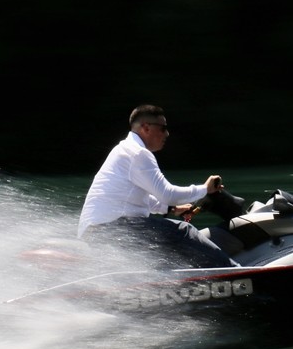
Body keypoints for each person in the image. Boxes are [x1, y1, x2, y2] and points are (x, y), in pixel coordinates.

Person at [78, 104, 237, 268]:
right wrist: (205, 189)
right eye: (163, 128)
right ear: (146, 128)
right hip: (114, 228)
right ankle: (233, 271)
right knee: (183, 230)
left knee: (165, 246)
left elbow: (138, 197)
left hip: (97, 232)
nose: (167, 134)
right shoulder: (139, 153)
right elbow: (168, 194)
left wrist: (171, 209)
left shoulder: (124, 150)